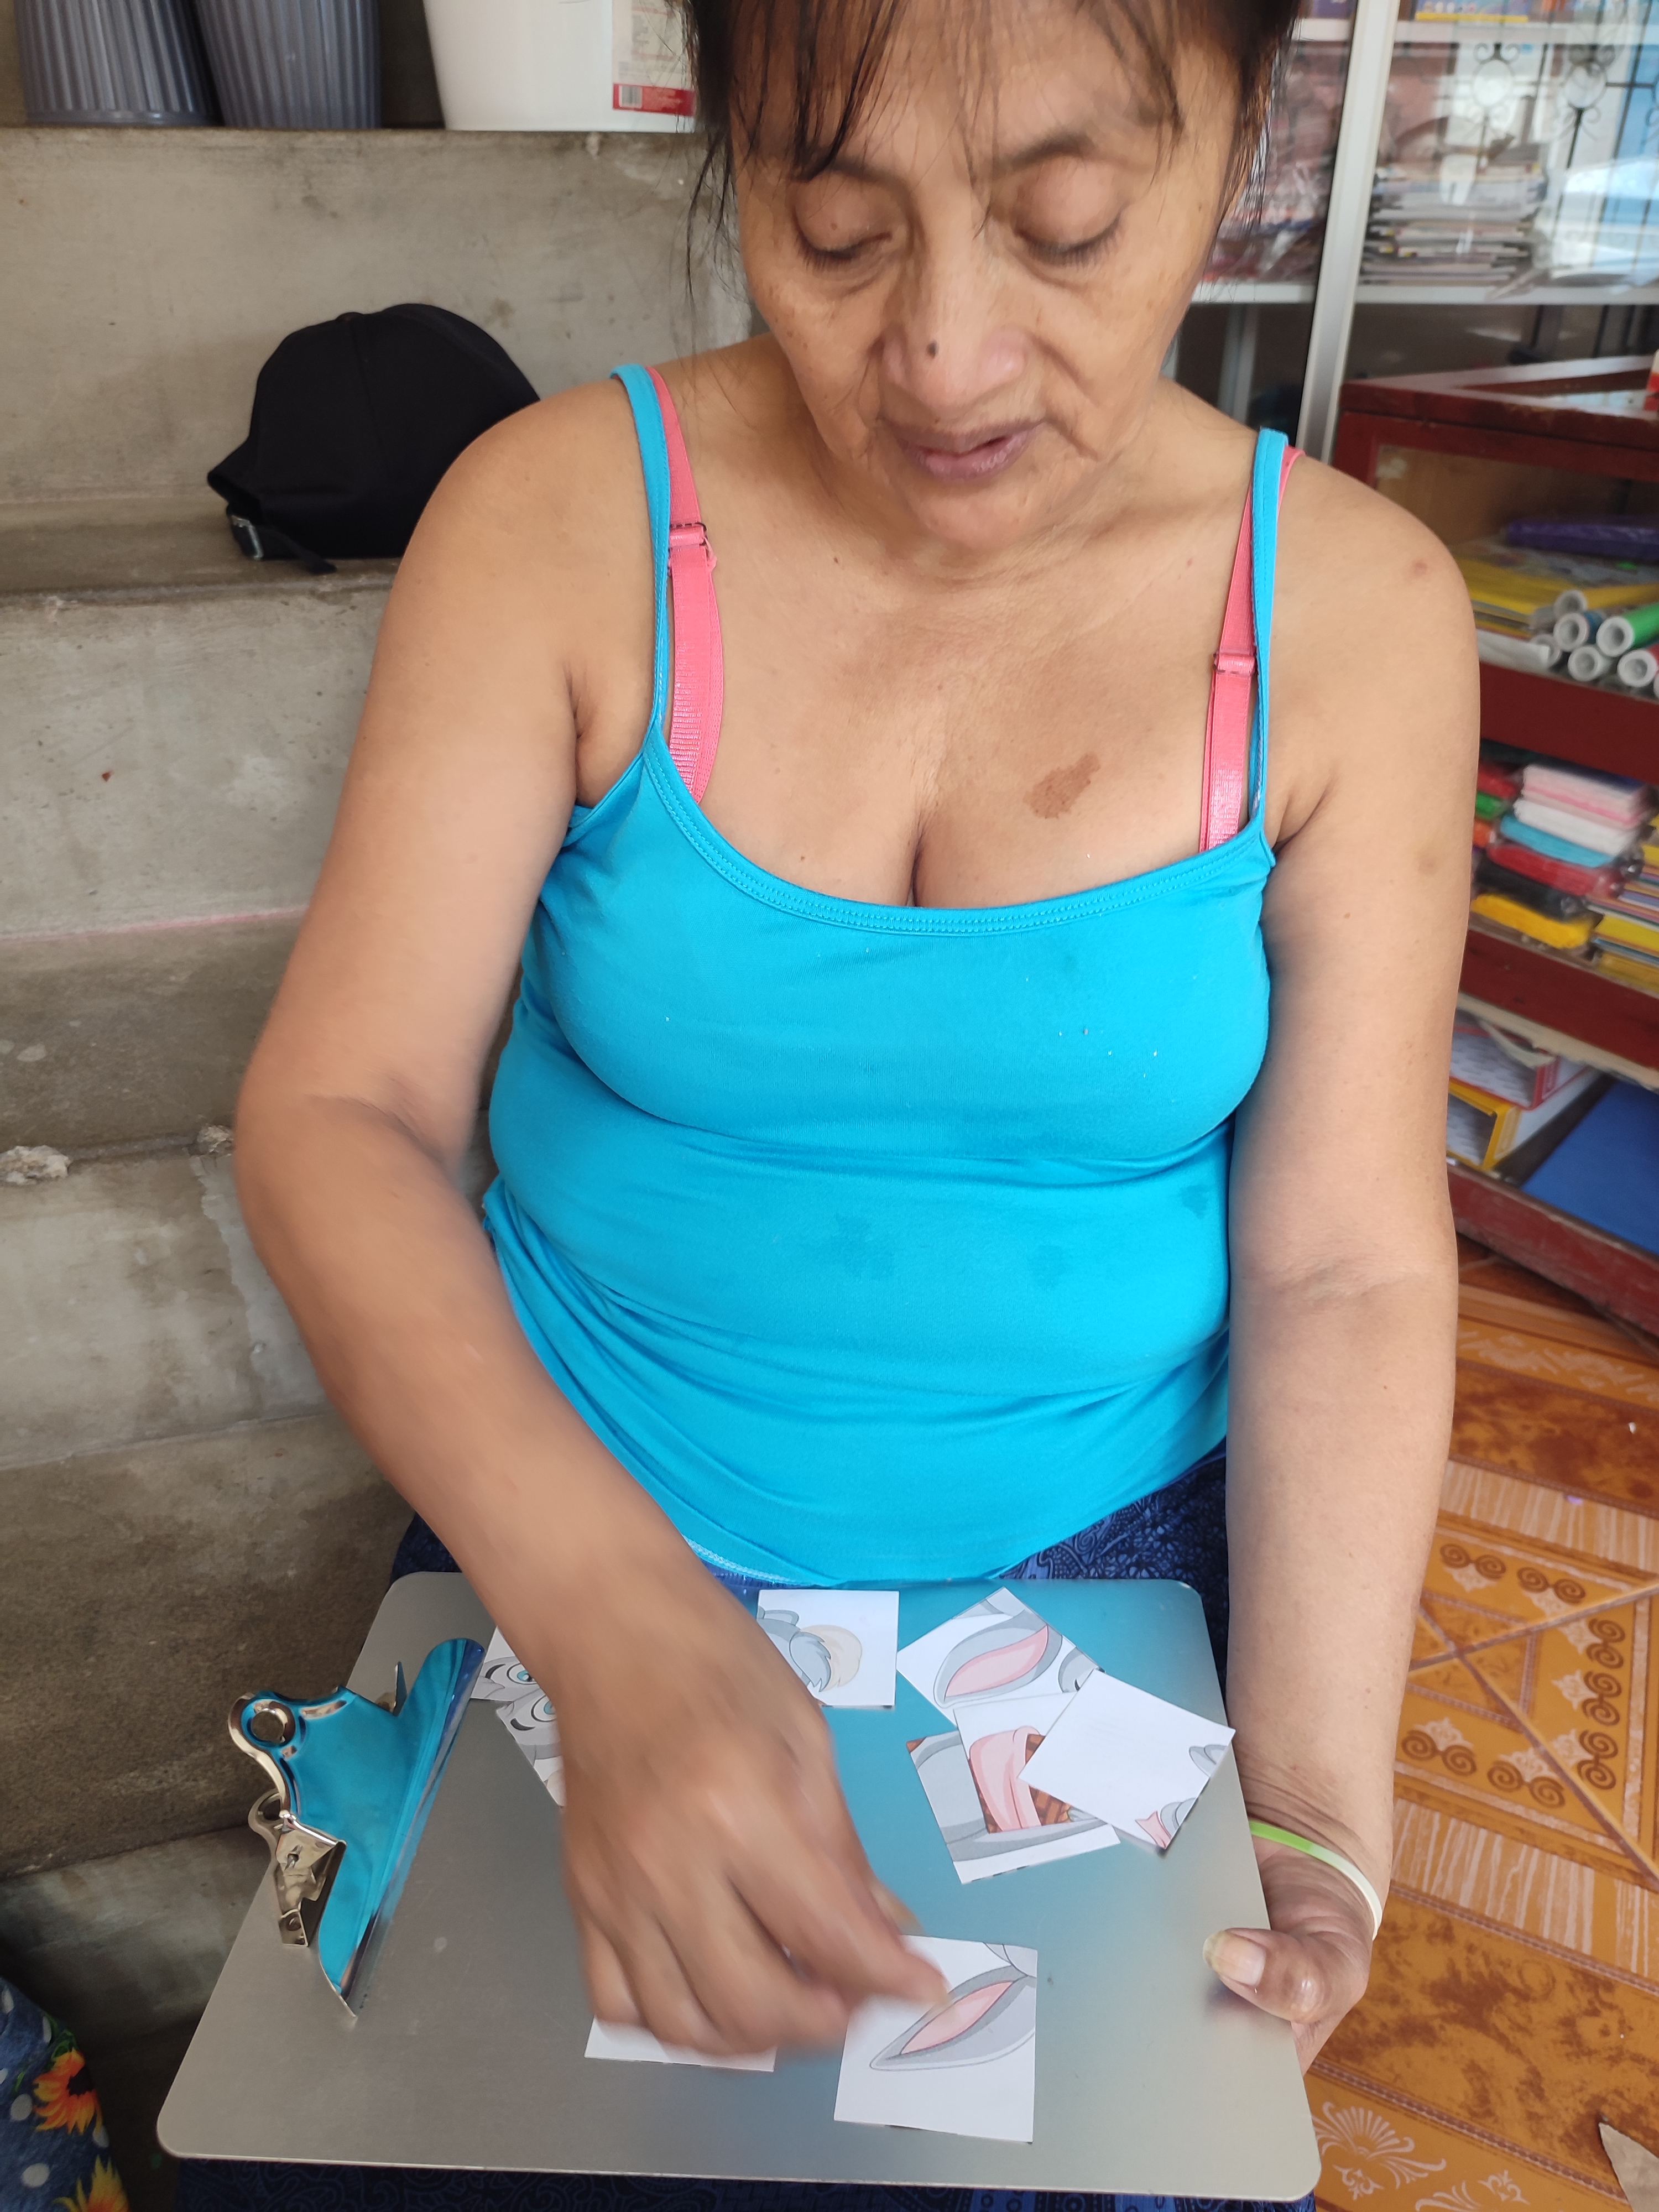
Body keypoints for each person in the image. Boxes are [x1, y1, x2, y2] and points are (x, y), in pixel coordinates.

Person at [195, 0, 1477, 2201]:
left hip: (1098, 1561)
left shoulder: (1359, 616)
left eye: (1066, 224)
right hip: (581, 1501)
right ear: (727, 141)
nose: (946, 357)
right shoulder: (557, 521)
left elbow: (1348, 1264)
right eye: (836, 226)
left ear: (1249, 136)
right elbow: (344, 1111)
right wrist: (612, 1617)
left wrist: (1317, 1811)